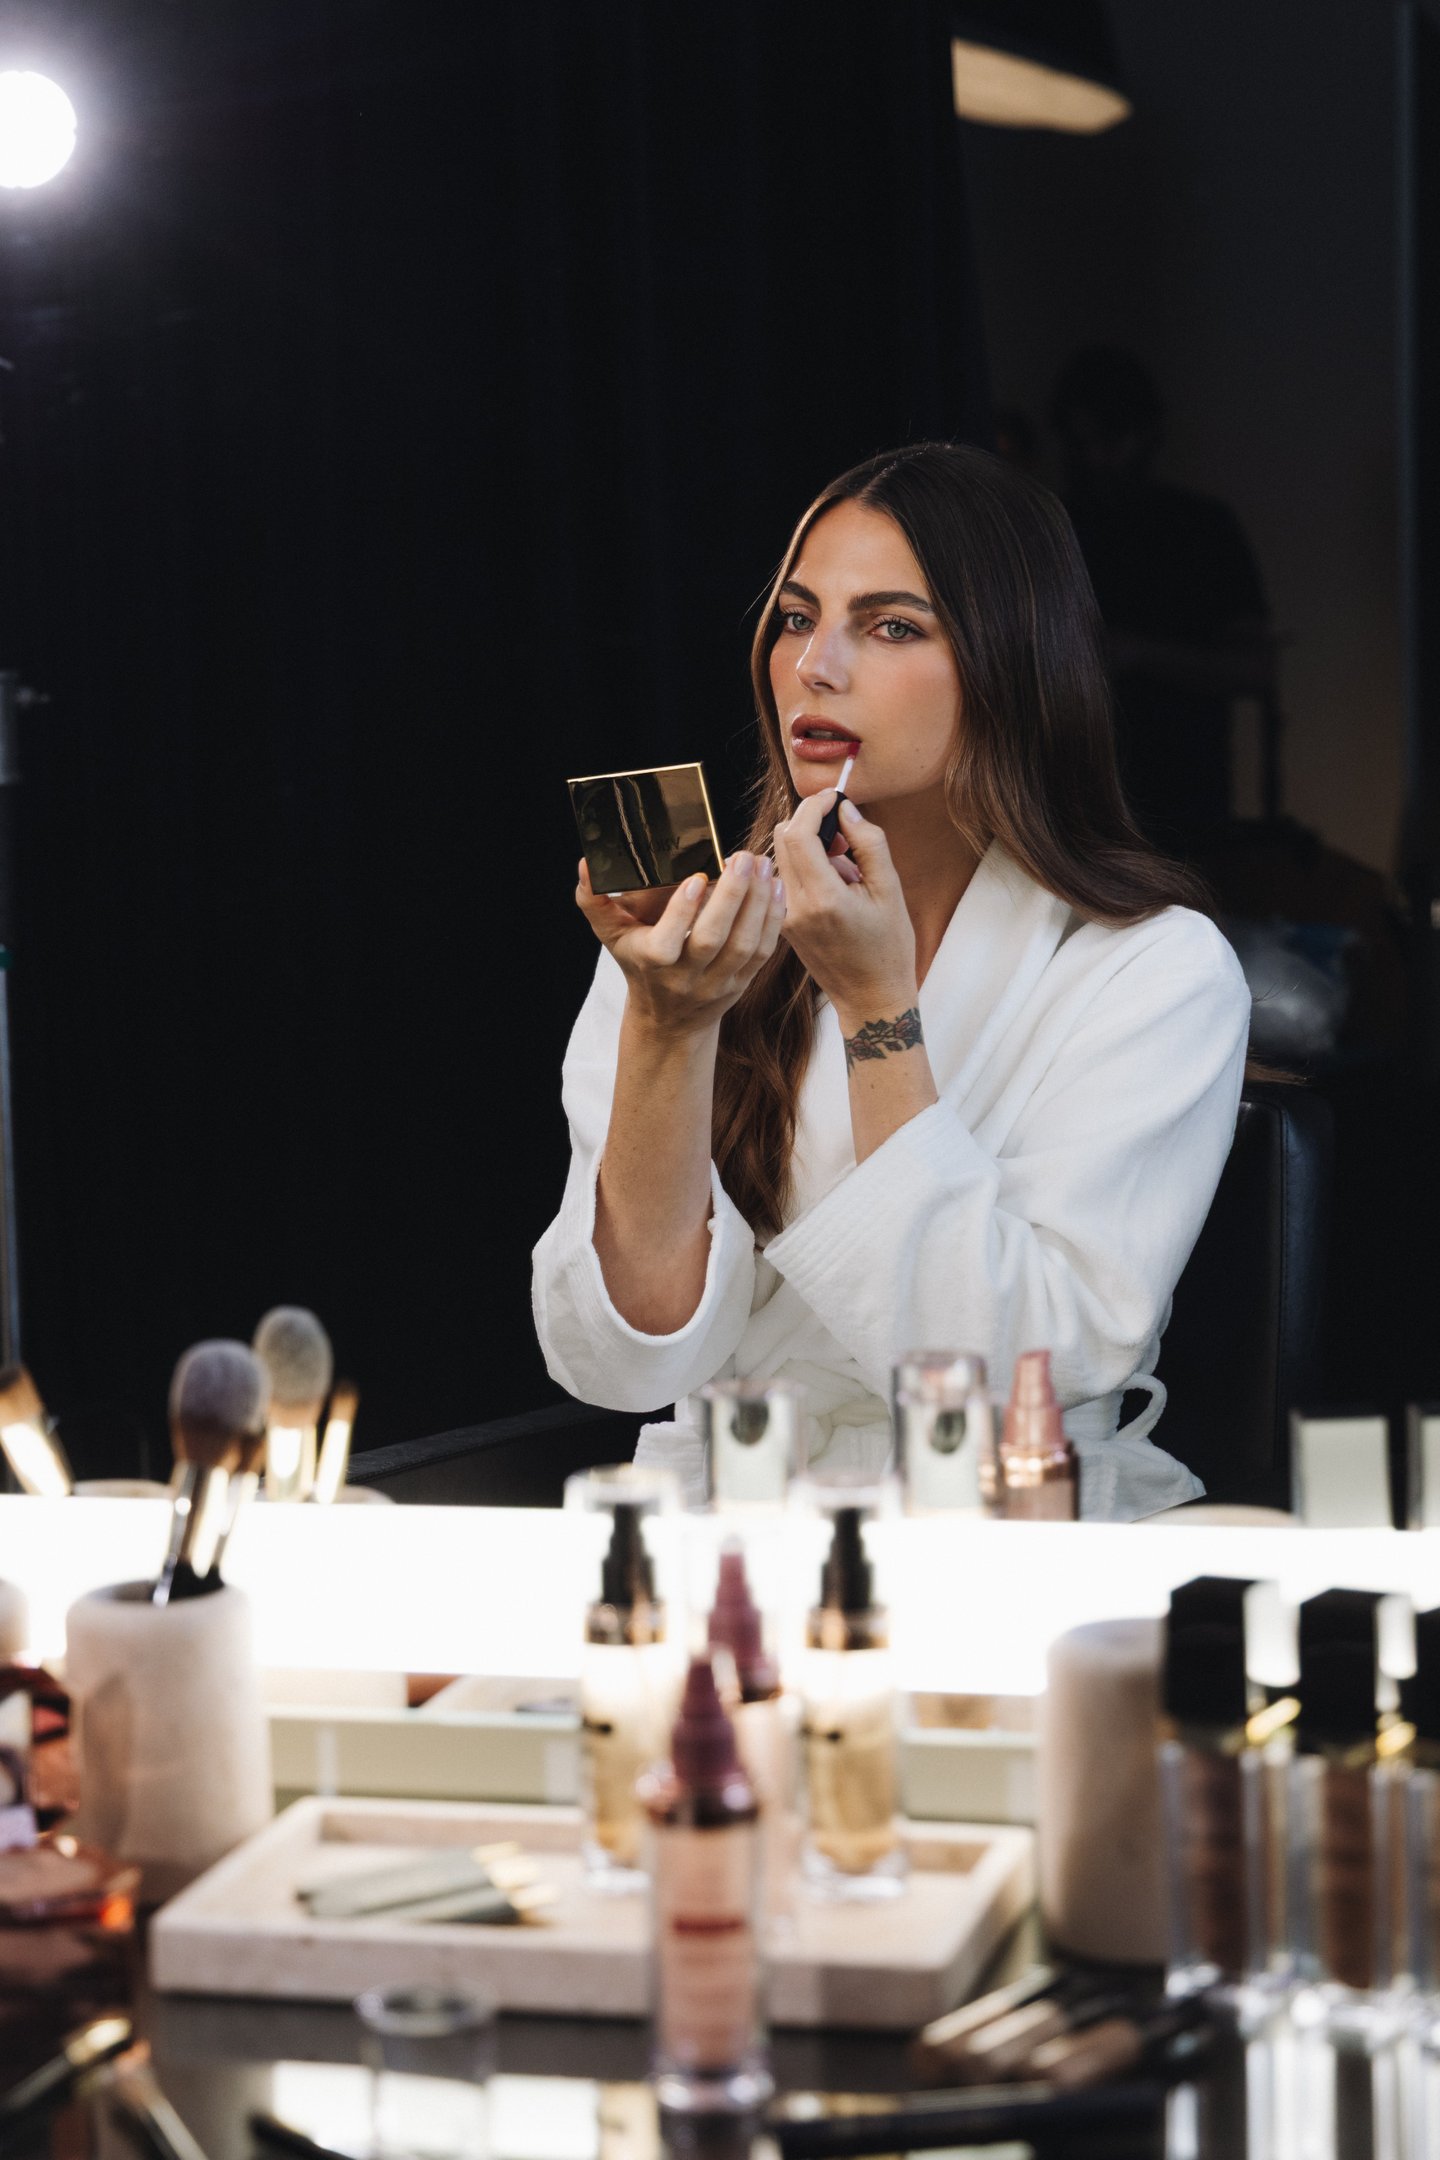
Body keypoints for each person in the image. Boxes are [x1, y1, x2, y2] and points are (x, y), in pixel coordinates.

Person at [532, 443, 1252, 1520]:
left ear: (1014, 665)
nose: (816, 666)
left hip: (1008, 1528)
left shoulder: (1153, 967)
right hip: (728, 1518)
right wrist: (671, 1025)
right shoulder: (695, 937)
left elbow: (1010, 1371)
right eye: (793, 617)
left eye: (892, 626)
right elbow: (624, 1361)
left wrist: (878, 1011)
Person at [1051, 348, 1275, 852]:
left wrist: (1136, 653)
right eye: (1078, 442)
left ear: (1148, 434)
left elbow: (1257, 669)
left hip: (1185, 798)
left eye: (1109, 440)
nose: (1094, 459)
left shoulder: (1201, 529)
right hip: (1070, 798)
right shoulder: (1050, 530)